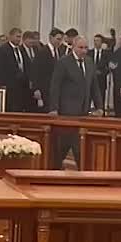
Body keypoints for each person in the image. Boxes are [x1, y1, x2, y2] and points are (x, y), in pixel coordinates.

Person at [49, 34, 104, 169]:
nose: (84, 51)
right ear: (73, 47)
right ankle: (53, 173)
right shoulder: (64, 62)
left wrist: (100, 107)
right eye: (81, 47)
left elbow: (94, 87)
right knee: (60, 150)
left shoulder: (89, 62)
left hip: (84, 113)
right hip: (66, 114)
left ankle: (82, 176)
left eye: (86, 48)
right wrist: (54, 108)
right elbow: (55, 86)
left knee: (81, 150)